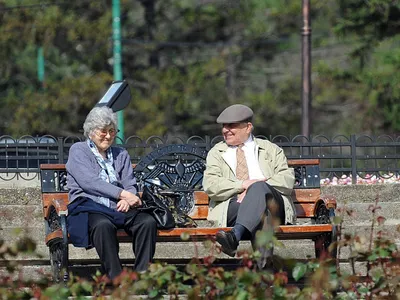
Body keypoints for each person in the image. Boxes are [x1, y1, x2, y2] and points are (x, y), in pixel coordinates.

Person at [66, 106, 157, 280]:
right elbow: (89, 182)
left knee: (147, 222)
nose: (108, 136)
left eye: (112, 131)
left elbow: (130, 184)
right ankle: (117, 277)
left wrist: (128, 198)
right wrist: (123, 194)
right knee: (103, 226)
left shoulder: (120, 154)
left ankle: (142, 275)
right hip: (90, 206)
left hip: (120, 207)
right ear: (91, 131)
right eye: (103, 131)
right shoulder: (79, 150)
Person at [203, 104, 296, 269]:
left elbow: (287, 180)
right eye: (224, 126)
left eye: (231, 126)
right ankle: (265, 276)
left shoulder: (270, 150)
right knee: (263, 214)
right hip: (233, 207)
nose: (225, 130)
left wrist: (256, 187)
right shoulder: (216, 153)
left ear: (248, 127)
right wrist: (243, 184)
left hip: (274, 204)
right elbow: (211, 185)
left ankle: (234, 236)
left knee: (260, 191)